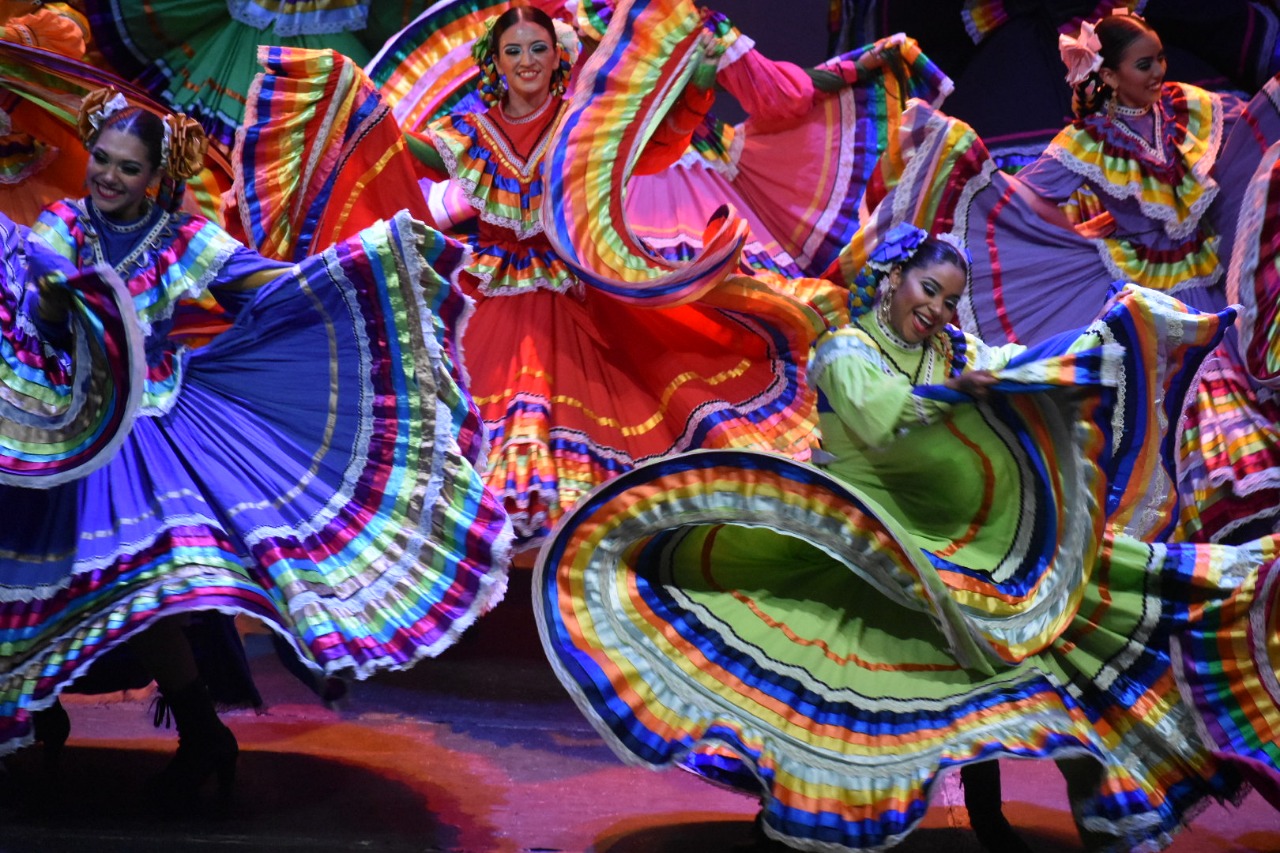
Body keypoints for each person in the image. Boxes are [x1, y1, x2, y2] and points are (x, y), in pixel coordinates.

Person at [534, 224, 1280, 852]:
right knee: (845, 688)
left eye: (952, 299)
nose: (940, 310)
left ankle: (991, 811)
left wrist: (1091, 348)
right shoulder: (845, 354)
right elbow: (890, 423)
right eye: (929, 292)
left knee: (1015, 655)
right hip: (869, 539)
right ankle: (803, 806)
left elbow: (1002, 369)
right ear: (891, 280)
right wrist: (975, 401)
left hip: (953, 536)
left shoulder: (952, 350)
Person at [1, 87, 512, 807]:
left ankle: (202, 732)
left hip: (144, 426)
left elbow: (260, 284)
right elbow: (45, 308)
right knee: (35, 571)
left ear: (157, 178)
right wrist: (53, 296)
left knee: (142, 592)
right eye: (103, 162)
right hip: (55, 416)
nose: (108, 177)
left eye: (128, 169)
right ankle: (43, 710)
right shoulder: (63, 224)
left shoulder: (182, 239)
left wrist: (350, 275)